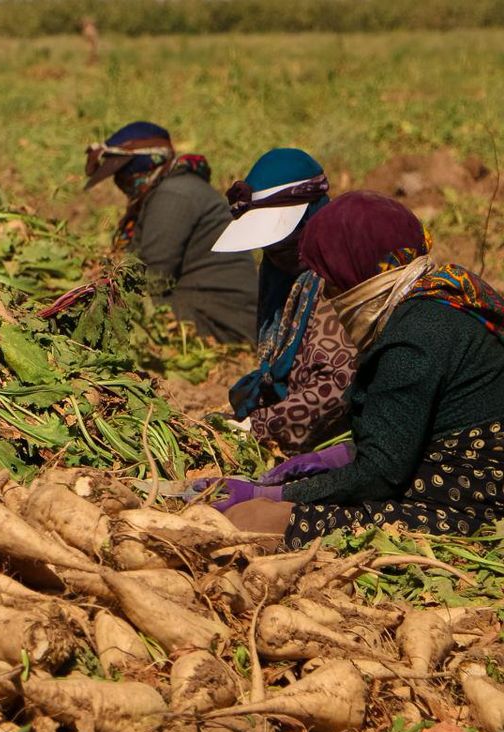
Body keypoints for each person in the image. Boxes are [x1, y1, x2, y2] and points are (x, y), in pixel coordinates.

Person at [207, 192, 504, 546]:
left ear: (359, 272)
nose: (331, 295)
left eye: (333, 282)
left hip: (468, 502)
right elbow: (401, 430)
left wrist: (280, 495)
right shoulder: (439, 293)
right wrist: (331, 459)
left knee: (251, 519)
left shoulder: (413, 339)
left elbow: (381, 474)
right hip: (447, 475)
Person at [212, 148, 357, 452]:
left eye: (285, 242)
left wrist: (259, 426)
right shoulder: (279, 272)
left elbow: (337, 388)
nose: (277, 253)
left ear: (312, 218)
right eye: (271, 247)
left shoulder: (342, 281)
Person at [83, 121, 258, 343]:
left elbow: (153, 280)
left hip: (219, 320)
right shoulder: (169, 190)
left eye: (124, 174)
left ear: (145, 166)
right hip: (199, 303)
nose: (120, 182)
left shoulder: (173, 196)